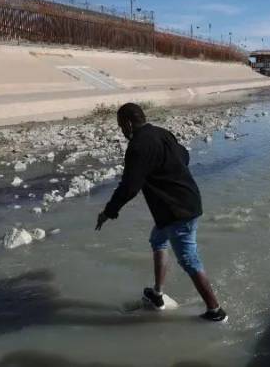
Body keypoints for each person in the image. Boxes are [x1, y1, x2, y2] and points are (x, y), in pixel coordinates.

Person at [95, 103, 227, 322]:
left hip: (177, 211)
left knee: (188, 259)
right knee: (158, 239)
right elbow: (184, 156)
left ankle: (215, 311)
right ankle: (157, 294)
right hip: (185, 201)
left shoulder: (138, 146)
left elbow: (129, 187)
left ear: (128, 123)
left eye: (121, 125)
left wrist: (108, 212)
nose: (122, 130)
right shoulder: (162, 133)